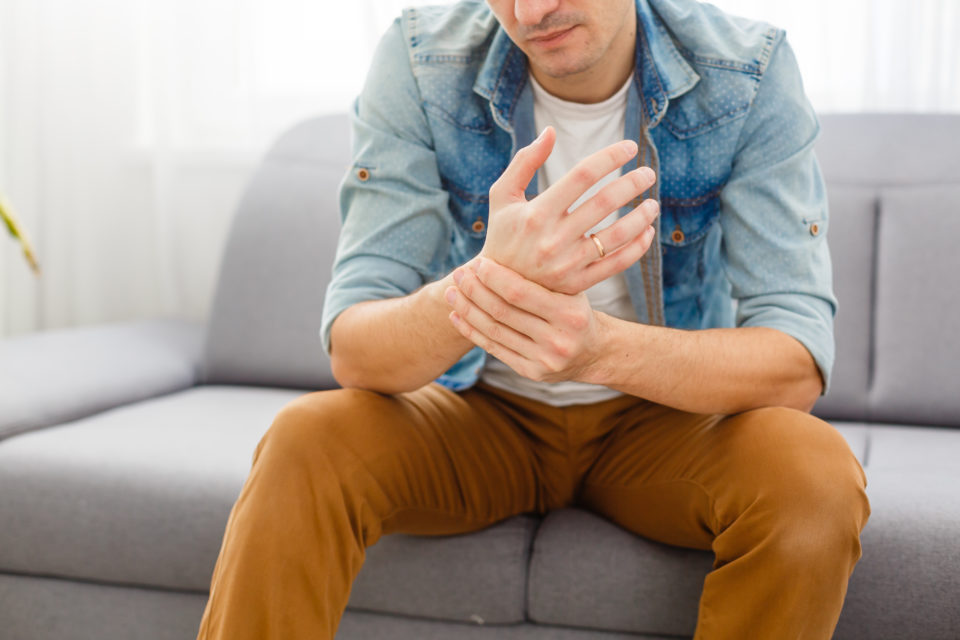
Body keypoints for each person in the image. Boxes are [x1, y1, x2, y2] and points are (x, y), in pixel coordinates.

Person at [196, 0, 871, 638]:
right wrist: (491, 281)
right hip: (481, 414)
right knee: (304, 442)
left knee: (812, 478)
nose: (529, 13)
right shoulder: (420, 60)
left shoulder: (746, 73)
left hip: (661, 418)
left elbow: (795, 361)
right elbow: (355, 349)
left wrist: (599, 351)